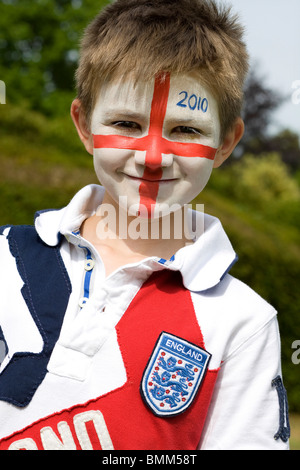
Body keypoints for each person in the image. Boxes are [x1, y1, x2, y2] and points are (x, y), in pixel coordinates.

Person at [0, 0, 289, 450]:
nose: (153, 157)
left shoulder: (242, 322)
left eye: (186, 130)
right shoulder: (4, 259)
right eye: (125, 123)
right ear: (83, 125)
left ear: (227, 142)